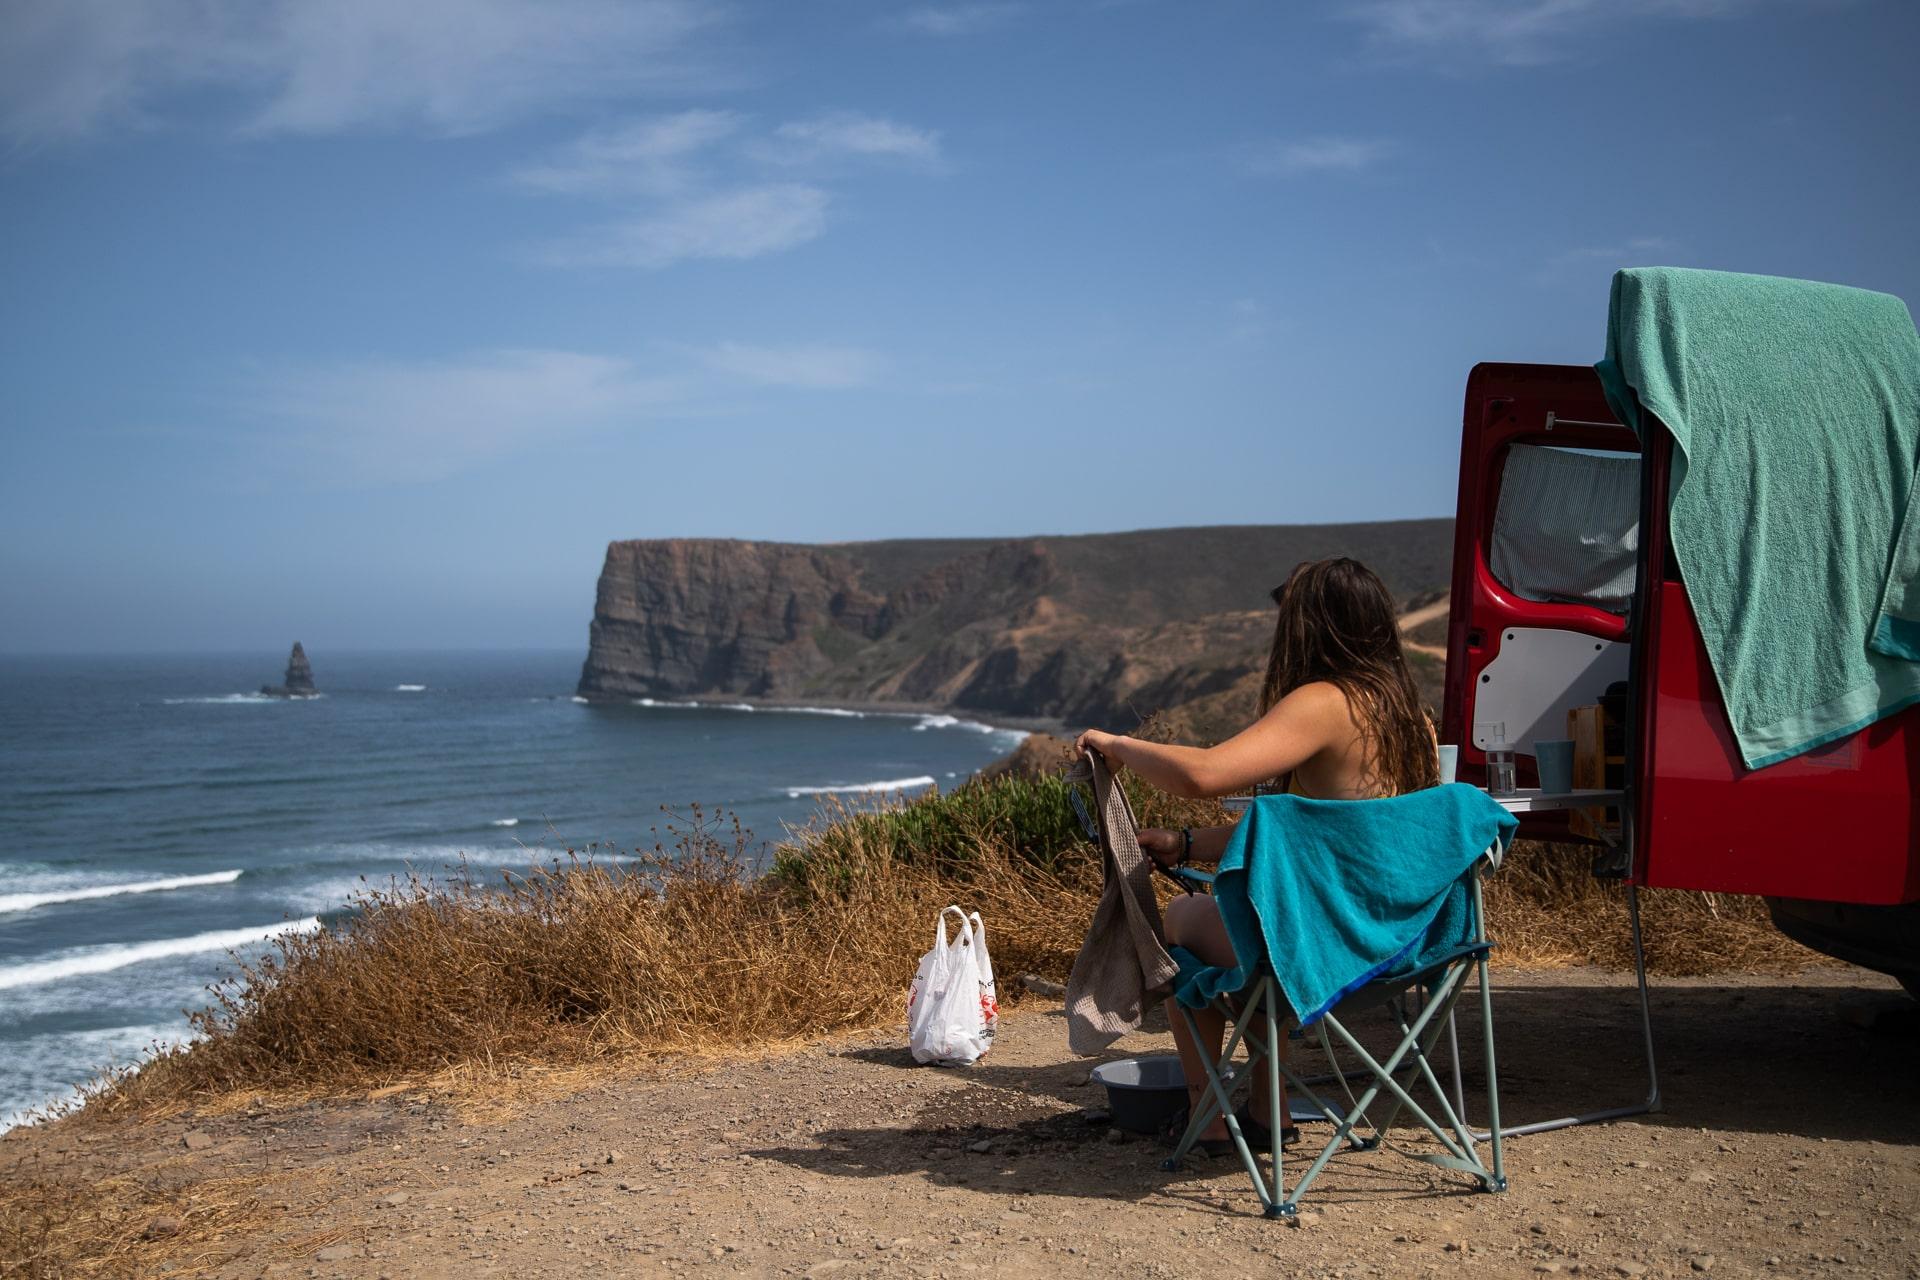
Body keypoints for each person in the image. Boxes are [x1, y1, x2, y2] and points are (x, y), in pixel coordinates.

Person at [1074, 556, 1439, 1152]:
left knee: (1183, 924)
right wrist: (1187, 844)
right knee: (1239, 929)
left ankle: (1208, 1116)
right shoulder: (1410, 718)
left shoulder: (1326, 702)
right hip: (1400, 945)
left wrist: (1114, 744)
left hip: (1325, 948)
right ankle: (1271, 1112)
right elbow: (1310, 828)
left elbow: (1204, 775)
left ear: (1314, 625)